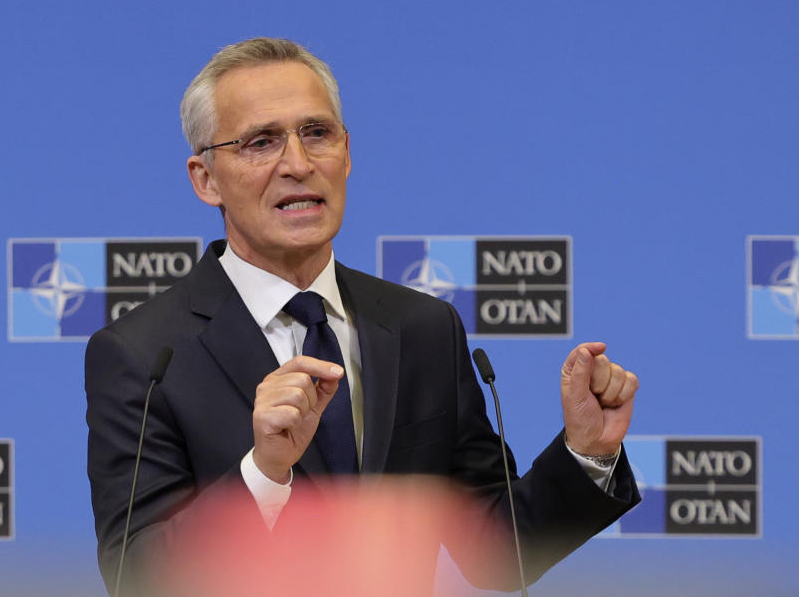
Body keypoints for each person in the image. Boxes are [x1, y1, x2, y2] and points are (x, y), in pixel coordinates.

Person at [85, 37, 640, 596]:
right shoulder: (145, 354)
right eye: (261, 142)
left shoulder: (422, 328)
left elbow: (496, 549)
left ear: (347, 154)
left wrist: (586, 453)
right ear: (205, 179)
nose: (298, 165)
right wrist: (264, 474)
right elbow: (137, 578)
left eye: (317, 134)